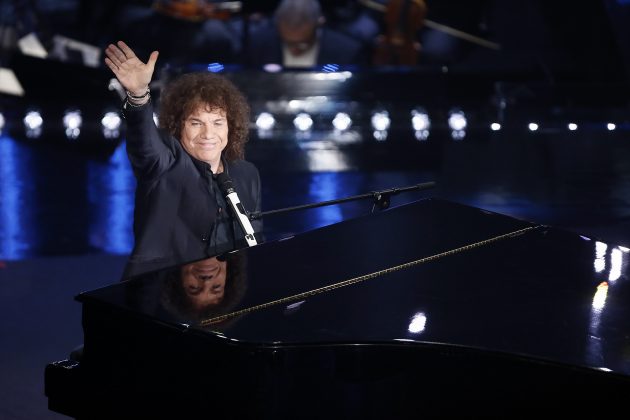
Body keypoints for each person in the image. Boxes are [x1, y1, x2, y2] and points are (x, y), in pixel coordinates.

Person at [104, 40, 263, 279]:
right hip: (160, 290)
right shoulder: (165, 164)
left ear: (231, 127)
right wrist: (138, 96)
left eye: (217, 123)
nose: (208, 134)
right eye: (196, 123)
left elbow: (255, 245)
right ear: (178, 126)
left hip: (225, 292)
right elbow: (145, 143)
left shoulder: (246, 174)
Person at [245, 0, 370, 68]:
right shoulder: (257, 45)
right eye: (287, 43)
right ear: (277, 24)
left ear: (319, 22)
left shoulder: (347, 52)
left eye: (302, 43)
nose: (294, 50)